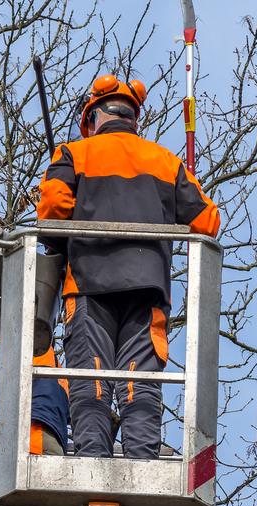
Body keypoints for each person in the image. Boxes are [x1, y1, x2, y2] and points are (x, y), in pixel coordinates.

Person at [36, 74, 220, 459]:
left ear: (92, 119)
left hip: (88, 286)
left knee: (93, 378)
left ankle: (92, 460)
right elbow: (208, 222)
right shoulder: (166, 163)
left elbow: (52, 211)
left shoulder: (73, 154)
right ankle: (142, 459)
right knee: (139, 380)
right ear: (134, 119)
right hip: (147, 289)